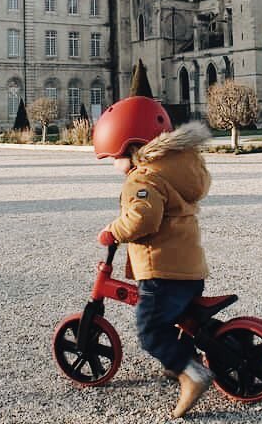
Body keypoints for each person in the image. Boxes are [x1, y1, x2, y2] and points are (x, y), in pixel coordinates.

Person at [92, 96, 213, 419]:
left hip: (162, 271)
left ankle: (191, 374)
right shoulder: (175, 168)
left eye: (113, 156)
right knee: (179, 324)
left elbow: (144, 219)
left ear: (128, 144)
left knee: (150, 331)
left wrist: (113, 231)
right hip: (189, 268)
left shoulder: (143, 177)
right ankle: (185, 363)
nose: (113, 163)